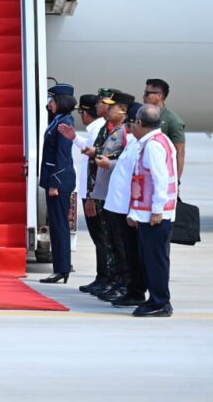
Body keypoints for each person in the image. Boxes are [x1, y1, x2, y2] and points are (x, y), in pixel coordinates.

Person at [127, 103, 178, 318]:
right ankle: (155, 299)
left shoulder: (154, 146)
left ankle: (160, 301)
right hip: (149, 212)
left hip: (156, 215)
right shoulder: (159, 141)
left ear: (140, 123)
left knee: (155, 260)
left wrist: (156, 211)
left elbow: (160, 180)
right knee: (150, 258)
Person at [86, 90, 134, 300]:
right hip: (107, 193)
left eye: (111, 105)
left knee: (121, 243)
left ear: (122, 110)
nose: (105, 108)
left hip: (117, 196)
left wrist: (106, 162)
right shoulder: (114, 131)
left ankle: (124, 283)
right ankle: (116, 281)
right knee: (112, 242)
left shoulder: (126, 134)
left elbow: (125, 163)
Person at [58, 93, 106, 287]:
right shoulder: (95, 129)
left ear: (85, 113)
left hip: (94, 193)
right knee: (100, 239)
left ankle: (104, 277)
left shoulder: (97, 129)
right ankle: (102, 277)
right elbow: (88, 148)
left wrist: (91, 197)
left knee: (101, 239)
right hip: (92, 192)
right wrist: (75, 138)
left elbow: (94, 163)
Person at [102, 102, 147, 308]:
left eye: (132, 123)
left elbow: (141, 180)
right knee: (122, 249)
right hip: (118, 206)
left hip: (127, 208)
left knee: (128, 252)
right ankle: (128, 288)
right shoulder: (133, 144)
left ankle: (133, 289)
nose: (128, 127)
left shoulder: (143, 146)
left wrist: (134, 209)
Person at [38, 85, 77, 284]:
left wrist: (55, 183)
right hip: (54, 180)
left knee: (60, 225)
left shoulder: (64, 123)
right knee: (56, 225)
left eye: (52, 100)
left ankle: (62, 268)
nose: (49, 104)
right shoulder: (58, 120)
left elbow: (62, 156)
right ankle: (60, 268)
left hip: (59, 182)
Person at [143, 78, 185, 180]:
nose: (144, 96)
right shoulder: (142, 115)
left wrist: (176, 181)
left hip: (161, 174)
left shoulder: (172, 120)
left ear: (159, 96)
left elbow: (180, 153)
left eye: (148, 93)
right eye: (145, 92)